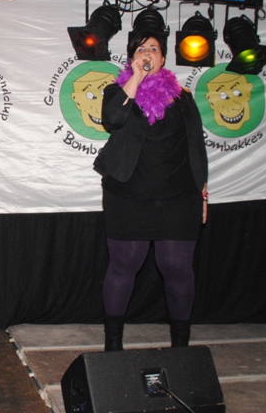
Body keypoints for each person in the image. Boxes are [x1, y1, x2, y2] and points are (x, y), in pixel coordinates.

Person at [94, 31, 208, 351]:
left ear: (163, 58)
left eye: (154, 49)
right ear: (132, 58)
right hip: (128, 195)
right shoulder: (118, 91)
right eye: (141, 49)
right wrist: (136, 78)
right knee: (123, 266)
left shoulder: (183, 97)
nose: (147, 54)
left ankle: (181, 349)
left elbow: (196, 146)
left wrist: (203, 192)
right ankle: (113, 348)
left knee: (178, 268)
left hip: (178, 197)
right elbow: (112, 118)